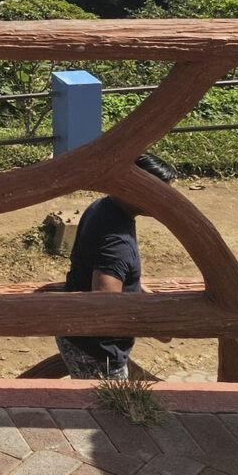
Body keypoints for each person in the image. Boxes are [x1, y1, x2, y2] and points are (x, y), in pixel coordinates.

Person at [55, 154, 176, 381]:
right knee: (109, 413)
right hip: (98, 349)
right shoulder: (117, 242)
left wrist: (136, 287)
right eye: (161, 193)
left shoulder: (104, 206)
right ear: (137, 189)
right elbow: (106, 302)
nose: (165, 200)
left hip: (78, 334)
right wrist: (156, 327)